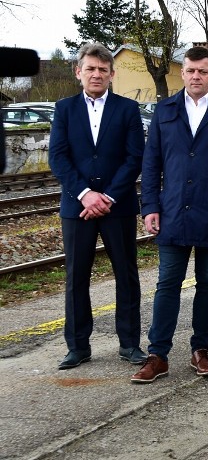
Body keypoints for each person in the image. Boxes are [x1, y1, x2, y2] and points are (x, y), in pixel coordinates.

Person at [131, 46, 208, 384]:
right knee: (167, 283)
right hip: (172, 211)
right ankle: (158, 355)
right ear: (182, 73)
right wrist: (150, 206)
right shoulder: (165, 110)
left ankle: (201, 350)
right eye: (190, 70)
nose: (196, 76)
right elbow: (151, 162)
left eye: (203, 71)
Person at [48, 42, 146, 370]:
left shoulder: (128, 110)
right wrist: (85, 195)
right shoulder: (63, 110)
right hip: (77, 208)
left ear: (112, 75)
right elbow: (58, 158)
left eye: (103, 70)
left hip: (117, 207)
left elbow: (135, 158)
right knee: (77, 277)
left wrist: (108, 197)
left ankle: (130, 344)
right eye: (90, 68)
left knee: (126, 275)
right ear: (78, 72)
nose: (96, 74)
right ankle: (77, 347)